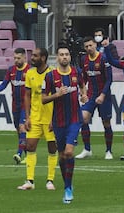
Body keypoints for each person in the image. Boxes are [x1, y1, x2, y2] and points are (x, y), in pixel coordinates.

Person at [42, 45, 87, 204]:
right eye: (61, 55)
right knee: (62, 155)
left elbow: (82, 86)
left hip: (75, 119)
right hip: (58, 121)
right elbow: (43, 99)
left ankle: (68, 189)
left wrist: (84, 95)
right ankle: (68, 184)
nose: (64, 57)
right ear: (57, 57)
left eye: (67, 54)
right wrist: (56, 94)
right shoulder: (50, 76)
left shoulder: (77, 72)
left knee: (69, 152)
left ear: (69, 56)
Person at [17, 47, 57, 190]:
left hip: (50, 118)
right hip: (34, 117)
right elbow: (27, 95)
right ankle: (30, 181)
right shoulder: (30, 73)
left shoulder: (52, 73)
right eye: (32, 55)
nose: (32, 58)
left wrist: (55, 118)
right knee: (30, 146)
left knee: (52, 148)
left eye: (35, 56)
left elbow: (57, 96)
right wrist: (27, 117)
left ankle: (50, 180)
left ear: (43, 58)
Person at [75, 36, 114, 160]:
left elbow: (109, 79)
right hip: (91, 94)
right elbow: (84, 78)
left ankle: (108, 151)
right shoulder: (83, 59)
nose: (88, 48)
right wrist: (83, 93)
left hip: (104, 95)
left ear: (95, 45)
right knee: (83, 118)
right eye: (86, 46)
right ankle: (87, 149)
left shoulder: (103, 58)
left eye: (90, 45)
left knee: (106, 122)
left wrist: (102, 95)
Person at [0, 48, 30, 164]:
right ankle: (28, 156)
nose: (16, 60)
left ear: (24, 57)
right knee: (19, 130)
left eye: (18, 58)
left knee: (23, 128)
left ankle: (18, 154)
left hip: (26, 105)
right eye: (15, 58)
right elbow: (4, 84)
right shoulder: (11, 70)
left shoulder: (30, 71)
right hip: (15, 105)